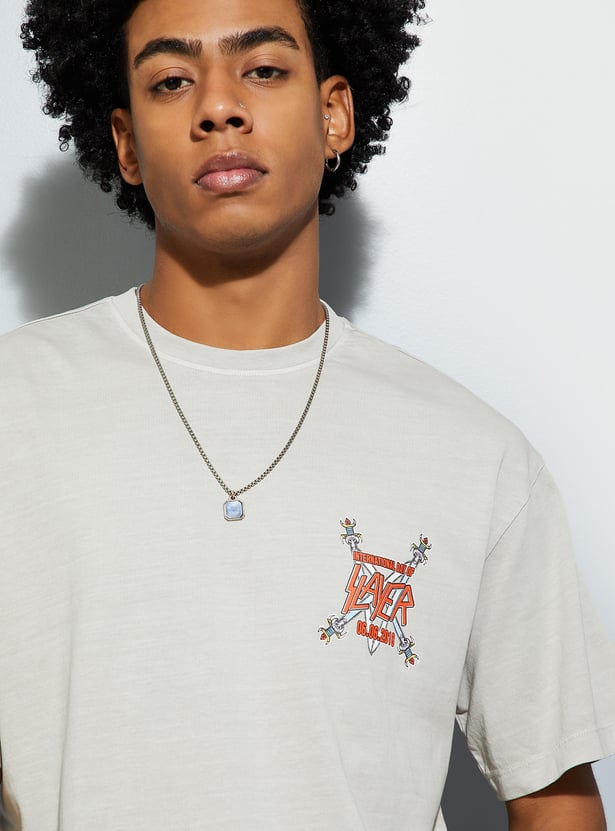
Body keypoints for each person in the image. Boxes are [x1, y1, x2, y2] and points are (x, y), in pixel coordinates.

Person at [1, 0, 614, 828]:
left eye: (262, 69)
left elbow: (554, 802)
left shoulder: (475, 456)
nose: (219, 106)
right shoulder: (14, 408)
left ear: (334, 116)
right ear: (126, 144)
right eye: (172, 80)